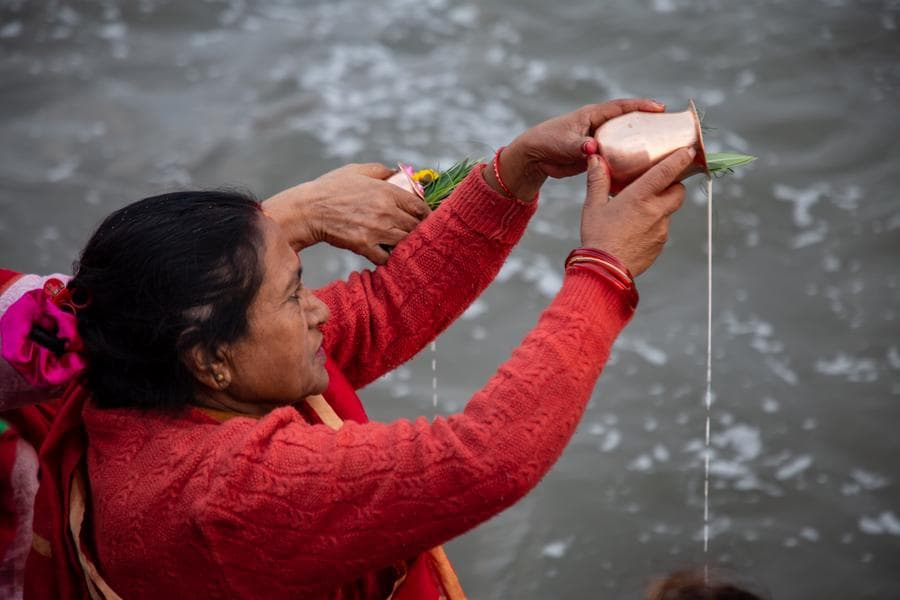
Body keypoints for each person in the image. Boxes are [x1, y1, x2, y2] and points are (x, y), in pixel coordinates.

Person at [0, 98, 692, 598]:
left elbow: (384, 306)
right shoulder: (219, 497)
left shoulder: (158, 372)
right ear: (207, 357)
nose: (318, 309)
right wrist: (605, 273)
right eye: (294, 291)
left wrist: (518, 168)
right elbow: (488, 456)